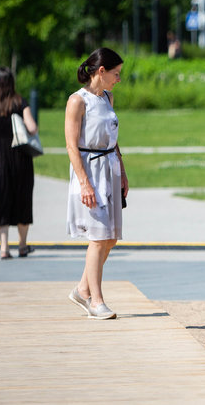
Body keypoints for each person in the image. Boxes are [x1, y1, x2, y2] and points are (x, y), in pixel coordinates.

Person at [65, 48, 127, 320]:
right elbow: (71, 144)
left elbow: (113, 138)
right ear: (101, 71)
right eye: (116, 74)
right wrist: (84, 183)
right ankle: (95, 300)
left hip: (110, 168)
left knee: (110, 237)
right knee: (98, 237)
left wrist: (123, 171)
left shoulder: (108, 98)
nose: (119, 79)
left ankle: (81, 289)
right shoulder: (77, 101)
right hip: (89, 170)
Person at [0, 67, 37, 259]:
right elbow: (32, 128)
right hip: (20, 156)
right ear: (11, 82)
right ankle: (22, 245)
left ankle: (4, 247)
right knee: (22, 198)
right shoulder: (19, 102)